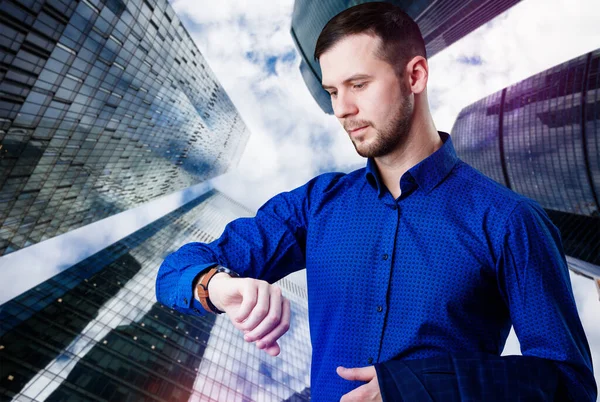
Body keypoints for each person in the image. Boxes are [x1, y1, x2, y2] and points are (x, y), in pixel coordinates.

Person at [156, 3, 596, 401]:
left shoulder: (509, 220)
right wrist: (216, 286)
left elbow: (568, 383)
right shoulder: (316, 205)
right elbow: (176, 270)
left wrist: (421, 386)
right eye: (332, 91)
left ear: (415, 76)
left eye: (358, 84)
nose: (342, 109)